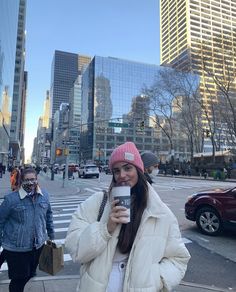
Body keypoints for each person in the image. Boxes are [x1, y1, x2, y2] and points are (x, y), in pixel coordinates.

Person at [65, 142, 190, 292]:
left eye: (128, 168)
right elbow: (75, 249)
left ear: (138, 170)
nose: (122, 175)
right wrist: (105, 229)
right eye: (116, 171)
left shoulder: (160, 212)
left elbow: (179, 259)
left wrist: (157, 279)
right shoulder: (98, 202)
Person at [0, 167, 55, 292]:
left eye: (33, 179)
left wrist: (51, 233)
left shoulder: (44, 195)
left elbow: (48, 214)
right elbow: (0, 220)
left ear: (37, 179)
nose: (31, 183)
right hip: (16, 248)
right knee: (18, 280)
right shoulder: (11, 199)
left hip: (37, 245)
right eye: (27, 180)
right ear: (21, 181)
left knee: (30, 274)